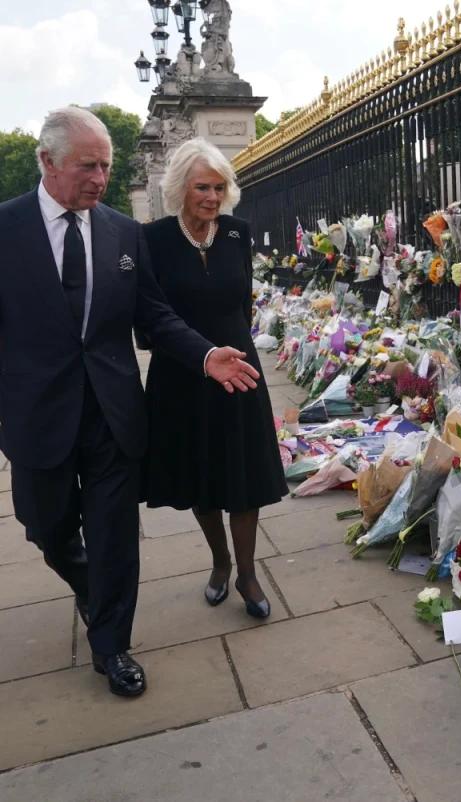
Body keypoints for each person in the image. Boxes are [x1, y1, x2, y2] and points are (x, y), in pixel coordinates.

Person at [0, 107, 260, 698]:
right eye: (87, 165)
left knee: (116, 533)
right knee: (45, 524)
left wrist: (203, 355)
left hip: (114, 411)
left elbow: (154, 314)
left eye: (106, 165)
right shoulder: (6, 228)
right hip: (37, 412)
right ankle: (91, 585)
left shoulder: (121, 231)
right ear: (47, 163)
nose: (99, 177)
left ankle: (112, 644)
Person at [139, 139, 287, 619]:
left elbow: (241, 303)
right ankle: (220, 562)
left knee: (243, 475)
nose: (212, 196)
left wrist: (233, 346)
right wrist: (200, 353)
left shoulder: (237, 233)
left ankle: (247, 571)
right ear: (180, 187)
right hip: (183, 375)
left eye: (220, 187)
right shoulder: (154, 239)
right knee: (203, 476)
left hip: (239, 369)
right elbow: (150, 317)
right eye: (203, 186)